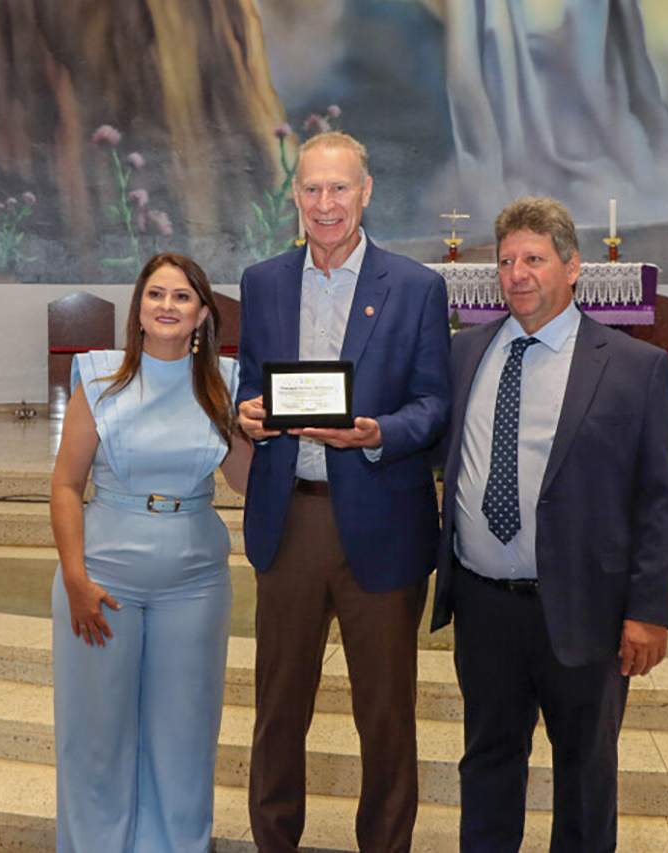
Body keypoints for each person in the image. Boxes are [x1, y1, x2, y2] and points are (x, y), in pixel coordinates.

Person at [430, 197, 668, 852]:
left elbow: (657, 499)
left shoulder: (632, 365)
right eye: (506, 260)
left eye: (534, 259)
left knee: (585, 772)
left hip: (585, 605)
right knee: (487, 759)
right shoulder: (464, 353)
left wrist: (648, 609)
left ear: (572, 267)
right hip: (485, 604)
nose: (517, 274)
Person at [236, 131, 451, 852]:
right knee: (278, 711)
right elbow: (250, 381)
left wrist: (379, 432)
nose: (325, 203)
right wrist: (248, 413)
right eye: (312, 188)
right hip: (289, 520)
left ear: (366, 192)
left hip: (383, 524)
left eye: (339, 187)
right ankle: (274, 841)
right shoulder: (263, 281)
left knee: (385, 717)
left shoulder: (416, 287)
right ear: (294, 196)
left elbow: (434, 403)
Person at [49, 253, 252, 852]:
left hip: (195, 583)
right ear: (138, 308)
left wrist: (249, 432)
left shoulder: (226, 383)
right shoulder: (100, 379)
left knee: (184, 733)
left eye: (182, 296)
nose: (167, 305)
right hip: (103, 578)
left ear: (202, 314)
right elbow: (66, 485)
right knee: (97, 733)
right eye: (155, 294)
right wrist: (76, 579)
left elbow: (243, 483)